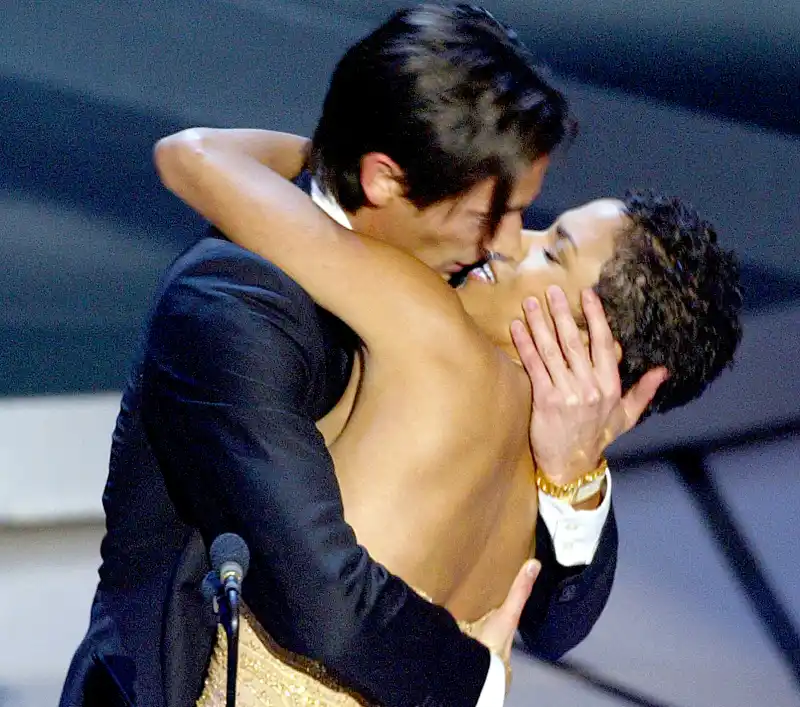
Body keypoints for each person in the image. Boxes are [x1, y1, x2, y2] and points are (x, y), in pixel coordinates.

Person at [60, 6, 636, 707]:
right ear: (388, 182)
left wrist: (574, 475)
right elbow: (320, 592)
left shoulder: (454, 277)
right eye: (494, 214)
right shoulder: (231, 303)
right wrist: (480, 683)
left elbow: (554, 621)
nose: (510, 243)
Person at [153, 123, 742, 706]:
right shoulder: (545, 500)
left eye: (551, 250)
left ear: (594, 347)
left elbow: (195, 157)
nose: (510, 240)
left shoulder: (426, 325)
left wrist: (342, 158)